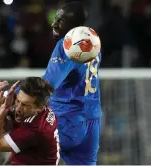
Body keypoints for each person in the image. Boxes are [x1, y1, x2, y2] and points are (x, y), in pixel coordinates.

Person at [42, 1, 102, 165]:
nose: (54, 23)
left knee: (22, 146)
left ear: (74, 25)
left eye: (60, 20)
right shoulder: (93, 41)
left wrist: (15, 93)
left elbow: (48, 84)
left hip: (66, 118)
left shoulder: (67, 44)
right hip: (92, 120)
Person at [0, 77, 60, 165]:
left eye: (25, 105)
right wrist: (4, 106)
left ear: (39, 108)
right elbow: (1, 131)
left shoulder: (34, 129)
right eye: (18, 101)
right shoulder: (36, 105)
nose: (18, 108)